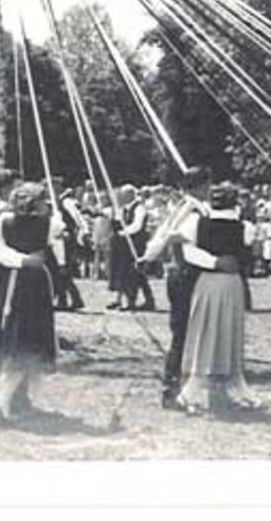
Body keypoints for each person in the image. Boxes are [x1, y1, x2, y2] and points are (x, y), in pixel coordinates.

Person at [174, 179, 260, 414]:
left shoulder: (197, 223)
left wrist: (212, 261)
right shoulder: (245, 227)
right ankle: (193, 389)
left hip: (209, 282)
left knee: (209, 330)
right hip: (229, 283)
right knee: (224, 330)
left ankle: (231, 382)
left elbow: (188, 251)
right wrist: (219, 261)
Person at [0, 183, 60, 422]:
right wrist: (27, 260)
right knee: (25, 342)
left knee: (31, 341)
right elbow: (1, 253)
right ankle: (2, 398)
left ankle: (36, 398)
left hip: (16, 282)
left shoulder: (3, 221)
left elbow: (0, 253)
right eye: (42, 200)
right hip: (30, 286)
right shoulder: (49, 224)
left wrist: (20, 260)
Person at [138, 167, 210, 409]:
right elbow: (169, 236)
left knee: (184, 332)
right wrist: (150, 257)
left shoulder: (183, 206)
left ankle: (181, 387)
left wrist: (148, 256)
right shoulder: (190, 209)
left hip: (180, 274)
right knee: (184, 333)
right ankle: (172, 389)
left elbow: (161, 235)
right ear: (202, 186)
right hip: (186, 274)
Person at [108, 186, 154, 311]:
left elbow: (137, 226)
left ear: (130, 195)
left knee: (132, 273)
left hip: (136, 244)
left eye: (123, 195)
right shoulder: (125, 208)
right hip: (126, 245)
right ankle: (146, 300)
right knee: (133, 274)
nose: (122, 197)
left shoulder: (139, 208)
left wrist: (123, 232)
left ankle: (131, 301)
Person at [53, 188, 87, 312]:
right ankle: (64, 299)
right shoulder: (53, 201)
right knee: (59, 269)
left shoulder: (66, 202)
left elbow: (77, 217)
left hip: (66, 239)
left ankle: (75, 299)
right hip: (57, 238)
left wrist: (83, 231)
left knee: (64, 269)